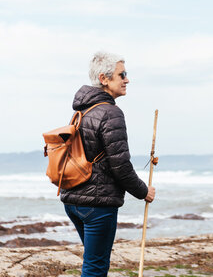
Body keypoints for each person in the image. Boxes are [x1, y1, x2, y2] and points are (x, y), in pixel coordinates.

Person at [61, 51, 155, 277]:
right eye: (121, 75)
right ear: (104, 79)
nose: (127, 79)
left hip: (73, 201)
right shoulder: (111, 113)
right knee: (95, 268)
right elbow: (120, 165)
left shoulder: (81, 111)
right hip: (97, 206)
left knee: (92, 262)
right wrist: (144, 192)